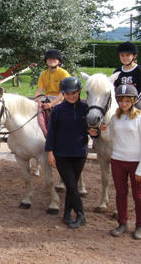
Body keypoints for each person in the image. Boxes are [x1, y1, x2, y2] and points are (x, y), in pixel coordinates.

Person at [98, 84, 141, 240]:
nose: (124, 104)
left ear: (133, 101)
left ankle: (140, 225)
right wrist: (104, 131)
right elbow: (109, 138)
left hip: (136, 162)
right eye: (121, 100)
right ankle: (122, 223)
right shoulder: (116, 117)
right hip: (118, 160)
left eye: (127, 101)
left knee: (138, 195)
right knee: (121, 194)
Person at [45, 77, 89, 229]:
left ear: (79, 92)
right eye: (68, 93)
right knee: (71, 184)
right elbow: (51, 133)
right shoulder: (57, 110)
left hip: (80, 153)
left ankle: (67, 214)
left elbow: (92, 132)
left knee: (72, 186)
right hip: (62, 153)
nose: (71, 96)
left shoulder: (86, 108)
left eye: (74, 93)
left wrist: (96, 132)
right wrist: (49, 152)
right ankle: (81, 215)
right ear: (63, 94)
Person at [113, 41, 141, 149]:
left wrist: (132, 103)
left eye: (128, 55)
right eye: (122, 55)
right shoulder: (117, 71)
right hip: (120, 102)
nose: (125, 58)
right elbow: (114, 88)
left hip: (137, 101)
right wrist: (118, 103)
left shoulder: (140, 70)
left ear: (134, 56)